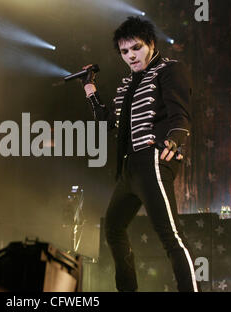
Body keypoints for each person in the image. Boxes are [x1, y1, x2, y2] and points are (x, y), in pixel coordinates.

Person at [81, 16, 198, 292]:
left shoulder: (169, 70)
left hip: (153, 160)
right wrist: (90, 89)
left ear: (151, 44)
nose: (131, 56)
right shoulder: (127, 85)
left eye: (136, 48)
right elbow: (109, 122)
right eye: (124, 52)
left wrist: (173, 140)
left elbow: (180, 113)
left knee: (171, 237)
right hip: (129, 167)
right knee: (113, 227)